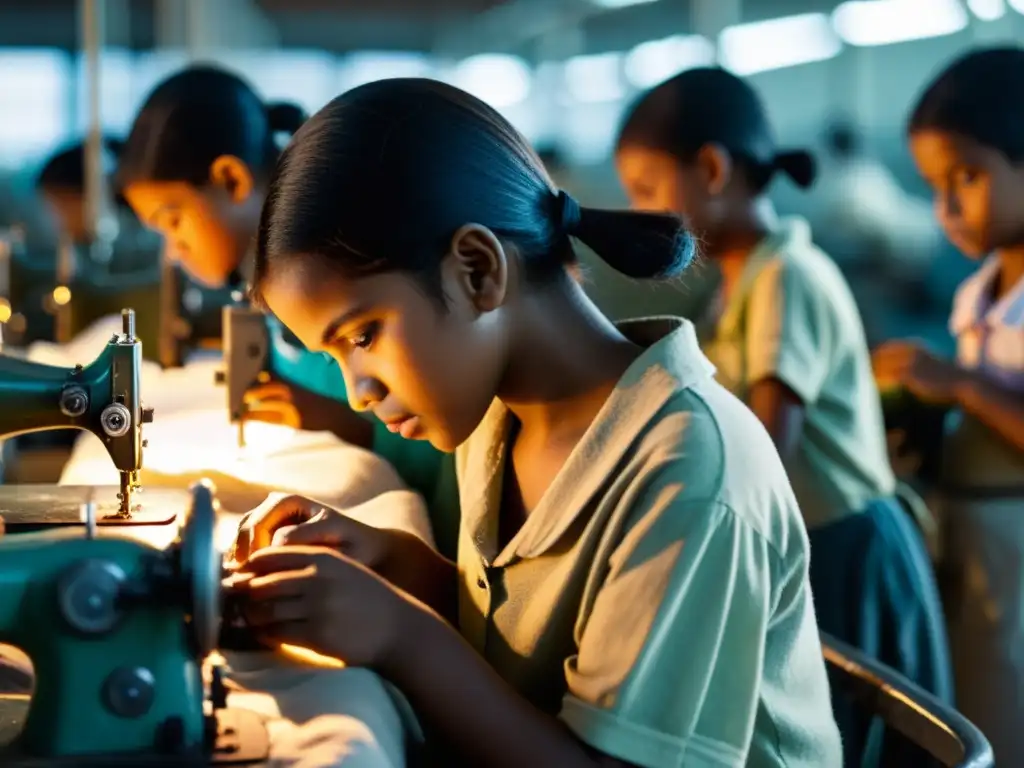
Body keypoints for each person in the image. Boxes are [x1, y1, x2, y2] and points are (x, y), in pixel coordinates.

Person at [226, 77, 841, 768]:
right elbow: (528, 641)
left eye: (362, 336)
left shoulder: (689, 474)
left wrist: (401, 636)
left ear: (477, 270)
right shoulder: (496, 421)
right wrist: (393, 563)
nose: (358, 392)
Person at [614, 68, 951, 766]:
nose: (640, 212)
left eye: (647, 192)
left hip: (847, 545)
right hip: (816, 534)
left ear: (711, 169)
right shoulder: (739, 281)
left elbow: (765, 441)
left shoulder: (785, 276)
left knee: (865, 732)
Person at [115, 64, 448, 521]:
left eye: (173, 221)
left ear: (232, 180)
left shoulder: (348, 268)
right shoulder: (266, 294)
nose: (172, 251)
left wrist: (350, 426)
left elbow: (451, 447)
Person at [874, 46, 1024, 766]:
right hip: (974, 541)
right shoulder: (978, 291)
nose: (946, 208)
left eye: (967, 176)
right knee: (976, 703)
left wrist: (961, 386)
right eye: (934, 185)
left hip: (1020, 556)